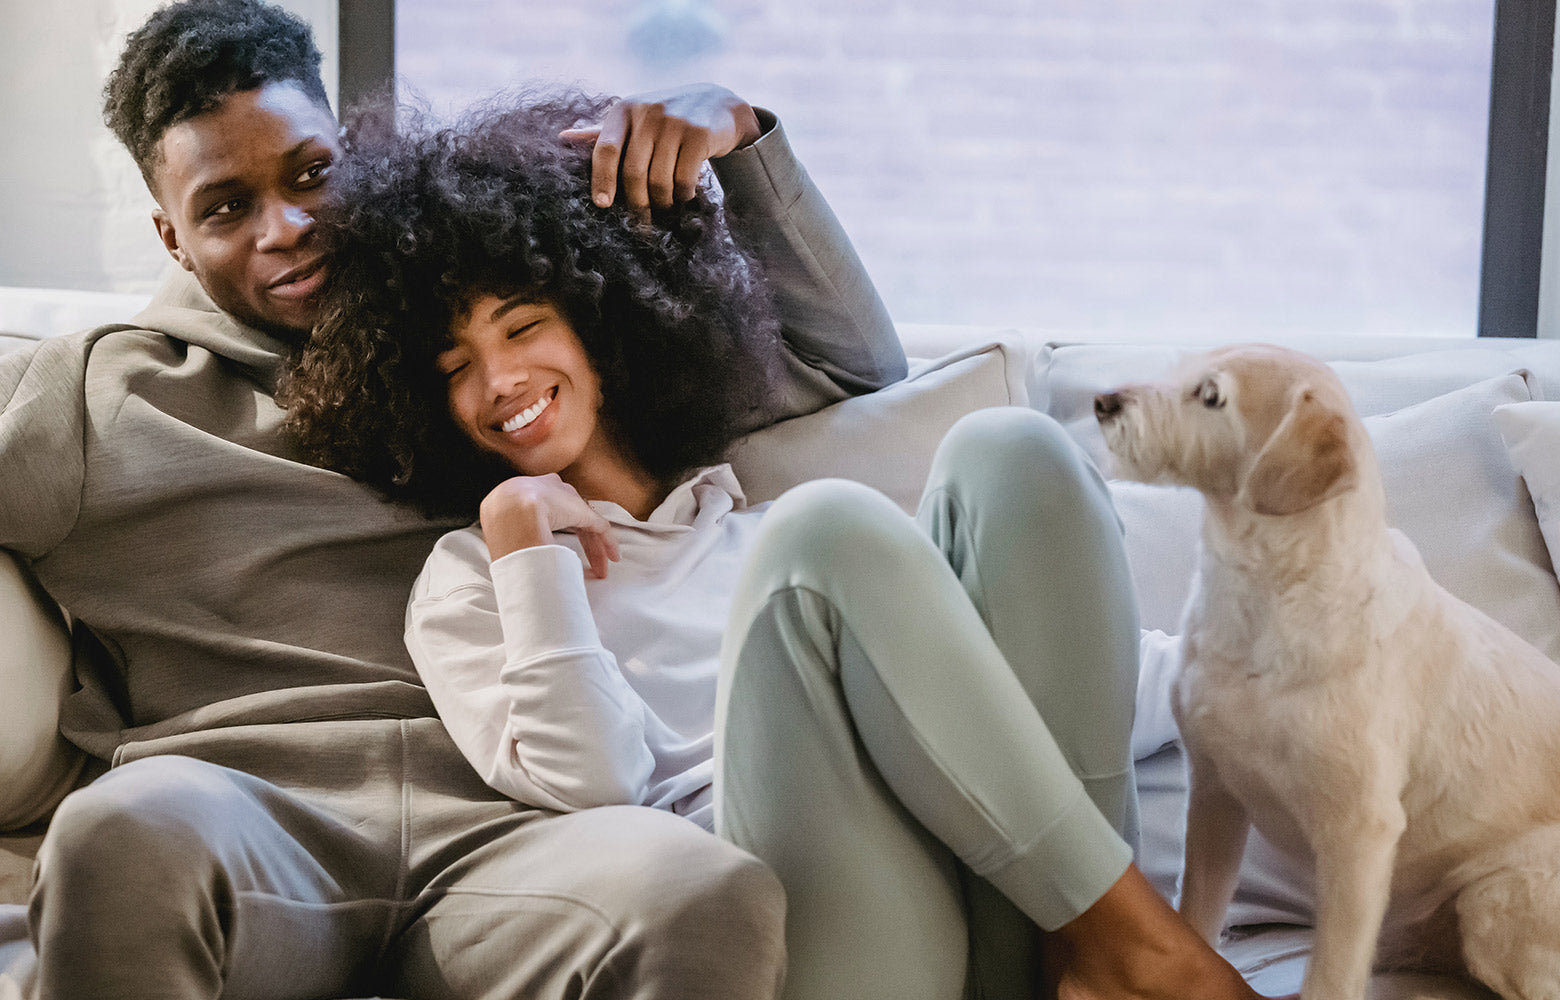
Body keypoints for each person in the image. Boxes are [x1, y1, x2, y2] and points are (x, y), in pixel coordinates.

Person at [0, 0, 909, 995]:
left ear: (356, 152)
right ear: (170, 232)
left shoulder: (474, 352)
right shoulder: (101, 389)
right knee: (122, 827)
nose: (287, 228)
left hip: (516, 835)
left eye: (312, 175)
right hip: (253, 826)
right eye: (225, 207)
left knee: (700, 886)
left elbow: (850, 368)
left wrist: (744, 139)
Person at [285, 93, 1275, 1000]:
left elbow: (1082, 675)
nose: (499, 379)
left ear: (599, 321)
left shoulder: (747, 518)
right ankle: (1133, 940)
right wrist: (524, 547)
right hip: (836, 932)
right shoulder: (473, 580)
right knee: (824, 536)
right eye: (458, 368)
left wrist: (1300, 671)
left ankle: (1090, 953)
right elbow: (593, 786)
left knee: (1011, 451)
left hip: (998, 892)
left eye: (524, 327)